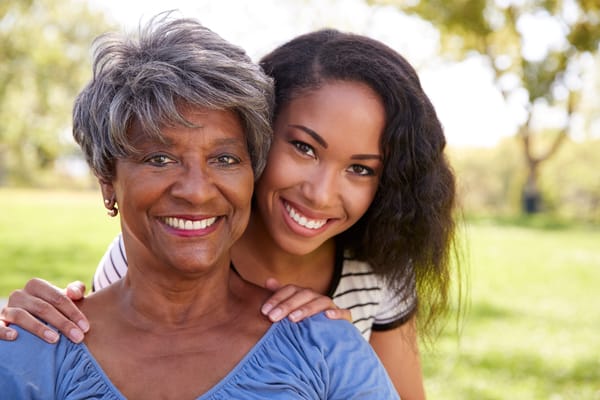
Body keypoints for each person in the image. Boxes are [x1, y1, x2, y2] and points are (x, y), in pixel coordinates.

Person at [1, 19, 464, 400]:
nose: (197, 191)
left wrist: (326, 338)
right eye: (159, 158)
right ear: (108, 181)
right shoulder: (49, 341)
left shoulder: (355, 306)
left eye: (224, 159)